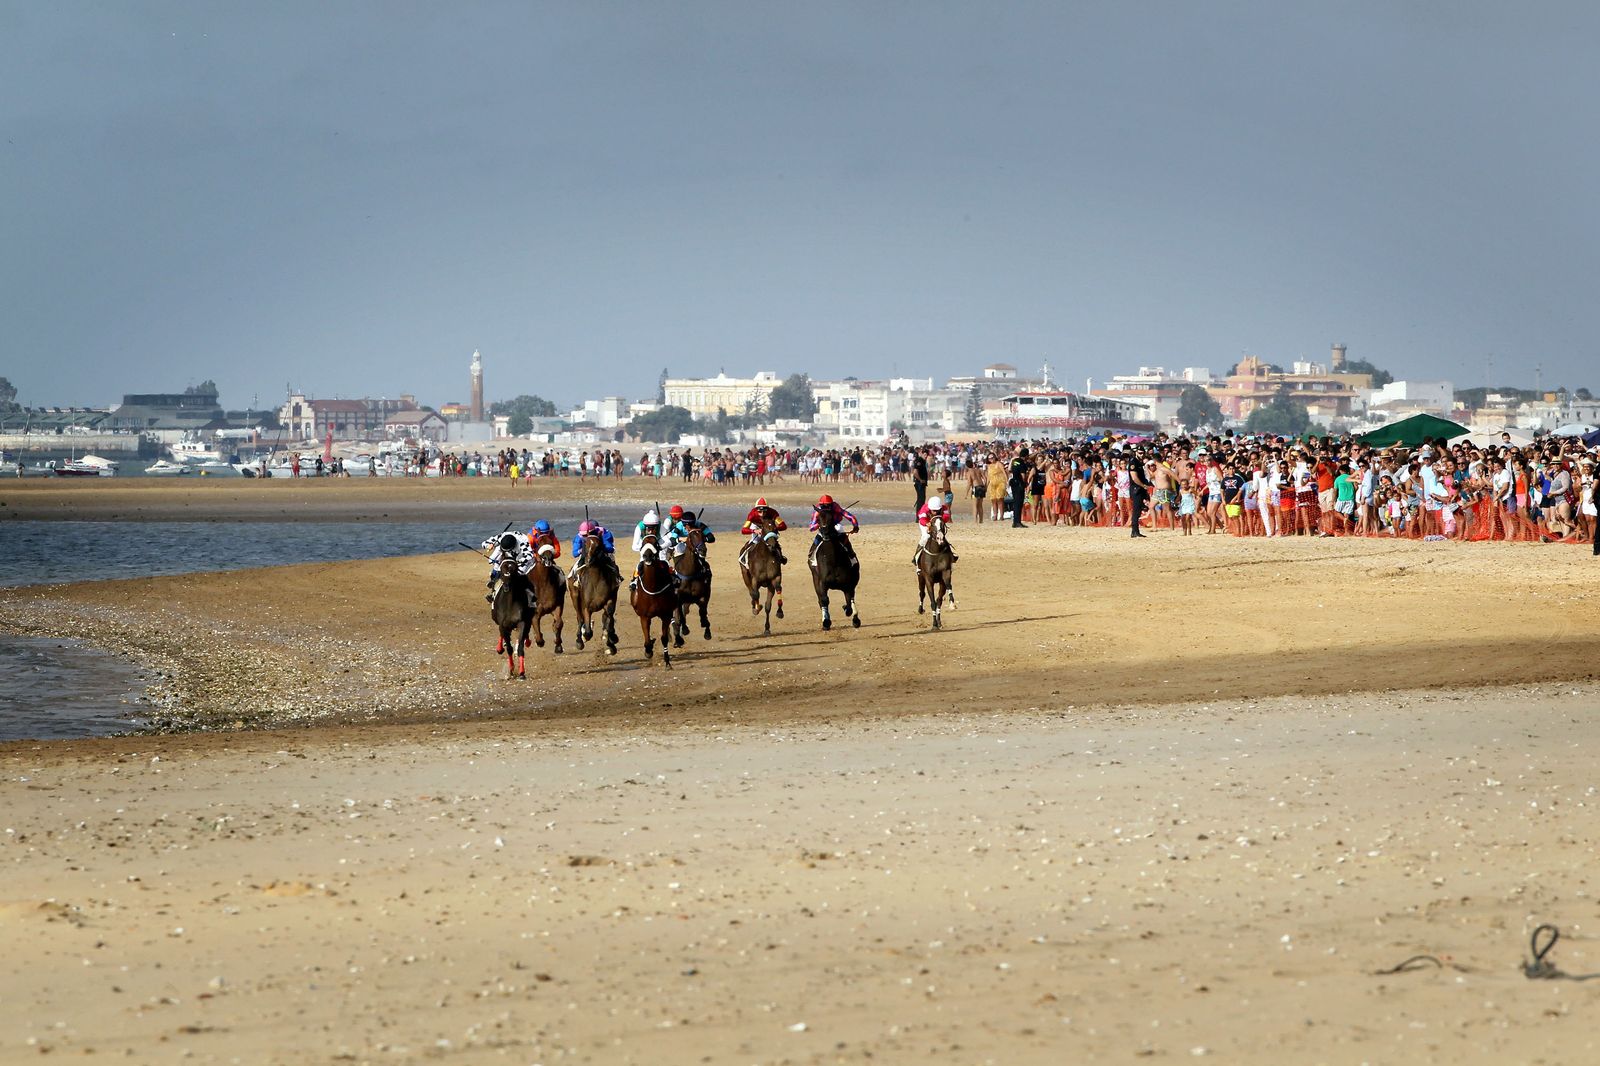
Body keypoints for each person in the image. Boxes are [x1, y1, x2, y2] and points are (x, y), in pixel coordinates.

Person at [482, 531, 535, 605]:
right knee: (497, 566)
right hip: (506, 555)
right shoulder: (501, 537)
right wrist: (489, 545)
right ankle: (493, 590)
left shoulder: (523, 542)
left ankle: (529, 594)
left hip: (521, 558)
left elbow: (529, 556)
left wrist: (518, 562)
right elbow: (484, 543)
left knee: (520, 573)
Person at [809, 494, 860, 569]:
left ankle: (851, 554)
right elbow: (811, 528)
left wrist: (855, 526)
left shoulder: (835, 506)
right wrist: (821, 525)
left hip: (835, 525)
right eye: (824, 506)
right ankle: (811, 554)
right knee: (819, 536)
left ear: (831, 504)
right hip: (823, 528)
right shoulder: (817, 511)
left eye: (828, 505)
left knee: (840, 530)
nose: (826, 507)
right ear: (820, 505)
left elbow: (848, 515)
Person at [665, 508, 716, 577]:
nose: (689, 527)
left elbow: (711, 538)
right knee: (679, 549)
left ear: (694, 523)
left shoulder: (700, 525)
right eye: (686, 525)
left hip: (694, 544)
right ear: (683, 524)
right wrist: (681, 539)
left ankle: (705, 568)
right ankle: (675, 572)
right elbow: (672, 540)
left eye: (691, 525)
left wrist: (701, 539)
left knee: (702, 549)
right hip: (681, 544)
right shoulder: (679, 526)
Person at [740, 497, 789, 564]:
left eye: (764, 511)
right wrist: (754, 531)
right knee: (755, 541)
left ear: (768, 510)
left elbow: (783, 526)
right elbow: (743, 530)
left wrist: (774, 529)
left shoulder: (773, 513)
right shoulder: (752, 514)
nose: (762, 514)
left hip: (769, 528)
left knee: (774, 542)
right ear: (756, 510)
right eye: (760, 511)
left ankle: (780, 557)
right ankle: (743, 557)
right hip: (756, 527)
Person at [913, 494, 957, 566]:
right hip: (926, 524)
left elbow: (947, 516)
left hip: (937, 523)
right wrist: (928, 523)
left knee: (941, 536)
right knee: (926, 537)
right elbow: (922, 519)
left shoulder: (944, 508)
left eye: (937, 510)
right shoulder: (924, 509)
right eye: (933, 510)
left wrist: (939, 521)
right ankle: (916, 556)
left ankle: (951, 555)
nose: (935, 512)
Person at [1127, 454, 1152, 538]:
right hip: (1136, 489)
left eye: (1142, 453)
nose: (1141, 455)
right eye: (1140, 453)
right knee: (1136, 510)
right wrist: (1143, 486)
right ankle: (1134, 531)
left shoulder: (1140, 463)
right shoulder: (1133, 462)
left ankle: (1135, 531)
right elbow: (1134, 478)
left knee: (1138, 511)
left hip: (1140, 489)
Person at [1008, 447, 1030, 527]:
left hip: (1013, 482)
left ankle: (1015, 521)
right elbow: (1023, 475)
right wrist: (1026, 483)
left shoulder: (1014, 461)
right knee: (1019, 503)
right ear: (1026, 455)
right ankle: (1017, 522)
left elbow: (1010, 470)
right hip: (1019, 484)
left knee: (1015, 502)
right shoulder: (1022, 462)